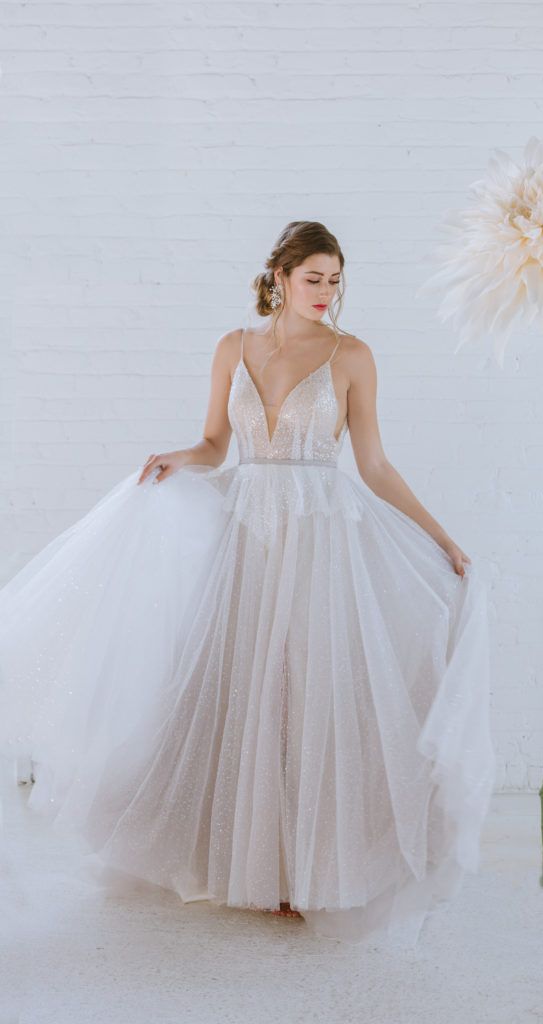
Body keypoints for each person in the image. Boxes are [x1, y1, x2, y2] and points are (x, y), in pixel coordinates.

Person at [0, 220, 497, 948]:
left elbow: (376, 466)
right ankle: (231, 860)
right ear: (279, 277)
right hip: (246, 534)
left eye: (334, 280)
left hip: (321, 537)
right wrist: (178, 458)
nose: (326, 293)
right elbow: (214, 443)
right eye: (313, 279)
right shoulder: (233, 347)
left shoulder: (352, 356)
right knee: (235, 686)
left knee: (306, 693)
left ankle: (297, 873)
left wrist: (440, 536)